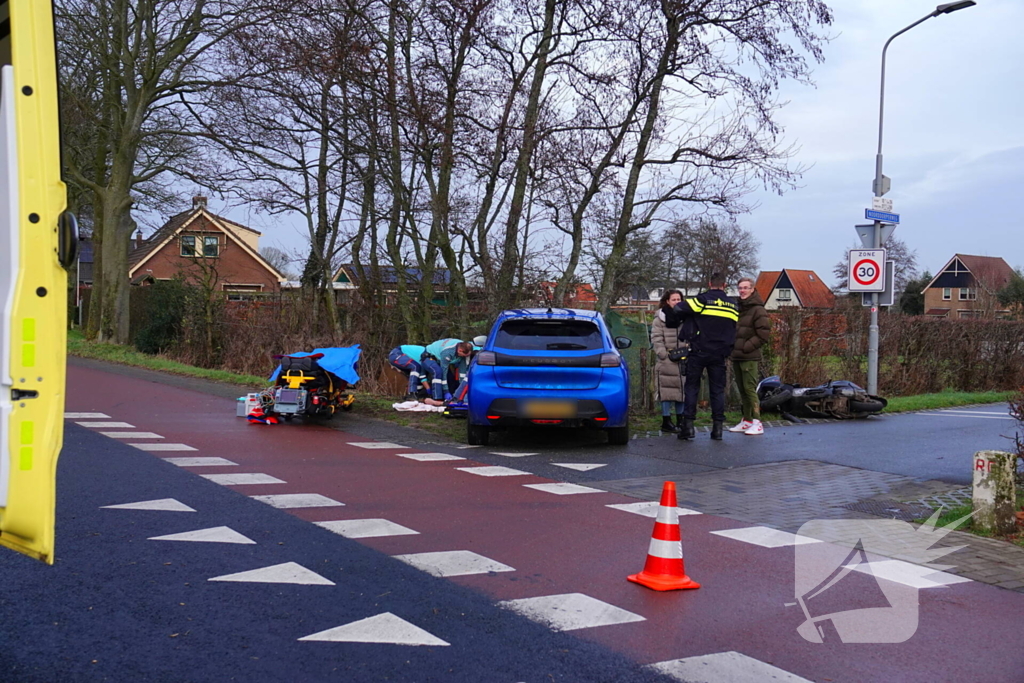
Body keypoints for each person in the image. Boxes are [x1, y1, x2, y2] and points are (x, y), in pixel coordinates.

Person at [664, 272, 738, 441]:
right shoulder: (733, 305)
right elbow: (733, 327)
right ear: (725, 285)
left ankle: (688, 427)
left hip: (699, 350)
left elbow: (678, 308)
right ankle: (717, 429)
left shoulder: (702, 300)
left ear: (709, 283)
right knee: (717, 391)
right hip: (720, 353)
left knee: (692, 388)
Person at [730, 277, 771, 435]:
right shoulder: (738, 307)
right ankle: (746, 420)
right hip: (736, 355)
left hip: (749, 356)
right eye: (740, 288)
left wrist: (745, 347)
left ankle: (757, 422)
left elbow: (763, 334)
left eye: (746, 288)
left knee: (749, 389)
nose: (742, 290)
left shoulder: (757, 309)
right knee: (742, 389)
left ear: (752, 289)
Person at [650, 289, 686, 433]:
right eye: (674, 299)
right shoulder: (660, 318)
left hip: (683, 359)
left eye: (679, 299)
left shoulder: (686, 317)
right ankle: (666, 421)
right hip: (667, 360)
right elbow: (656, 338)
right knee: (666, 392)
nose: (677, 302)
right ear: (667, 301)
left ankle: (681, 420)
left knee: (681, 392)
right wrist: (663, 354)